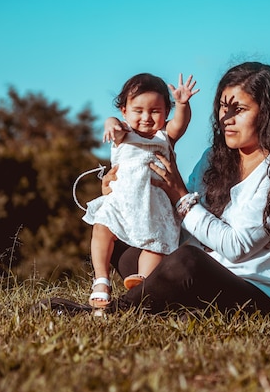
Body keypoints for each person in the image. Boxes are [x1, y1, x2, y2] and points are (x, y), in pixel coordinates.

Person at [41, 61, 270, 318]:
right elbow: (178, 225)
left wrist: (180, 196)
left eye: (240, 109)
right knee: (125, 241)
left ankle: (115, 311)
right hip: (200, 280)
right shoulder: (214, 158)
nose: (227, 118)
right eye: (224, 107)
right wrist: (121, 197)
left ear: (268, 114)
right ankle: (166, 307)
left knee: (187, 261)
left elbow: (235, 248)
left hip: (257, 294)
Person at [81, 72, 199, 308]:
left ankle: (144, 283)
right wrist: (111, 124)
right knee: (102, 229)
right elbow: (111, 123)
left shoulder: (164, 136)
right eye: (138, 110)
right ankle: (101, 280)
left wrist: (183, 104)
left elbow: (180, 123)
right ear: (124, 110)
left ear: (166, 112)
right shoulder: (123, 134)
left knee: (156, 245)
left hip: (153, 207)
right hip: (121, 203)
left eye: (155, 111)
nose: (146, 117)